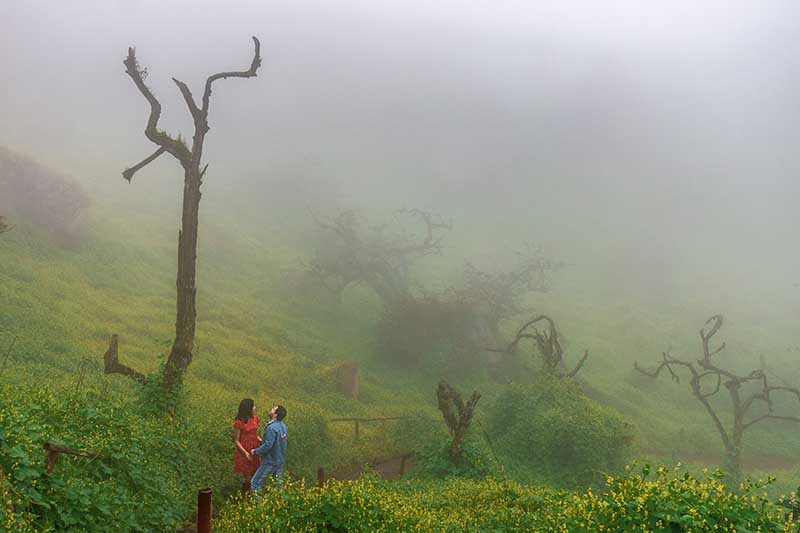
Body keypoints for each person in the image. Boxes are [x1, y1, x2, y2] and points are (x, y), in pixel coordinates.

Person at [250, 405, 288, 493]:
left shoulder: (271, 428)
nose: (270, 410)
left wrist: (255, 451)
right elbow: (276, 442)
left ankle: (260, 506)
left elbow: (268, 446)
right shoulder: (284, 427)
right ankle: (281, 504)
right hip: (280, 460)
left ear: (275, 415)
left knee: (255, 483)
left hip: (270, 461)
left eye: (273, 409)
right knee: (278, 485)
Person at [233, 398, 261, 495]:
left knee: (255, 474)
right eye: (253, 406)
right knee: (247, 477)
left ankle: (253, 495)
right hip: (244, 450)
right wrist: (245, 453)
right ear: (248, 408)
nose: (255, 408)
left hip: (255, 449)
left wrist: (262, 442)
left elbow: (256, 435)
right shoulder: (239, 422)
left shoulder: (255, 419)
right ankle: (245, 499)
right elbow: (236, 440)